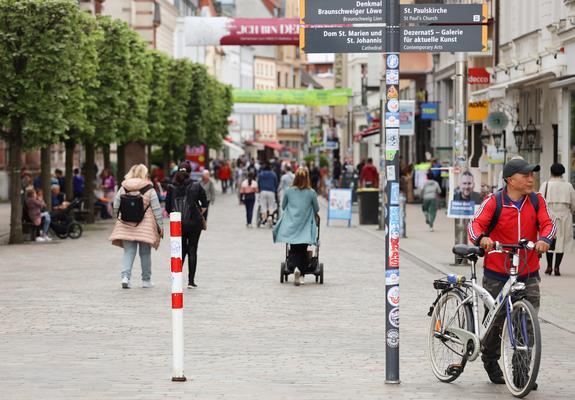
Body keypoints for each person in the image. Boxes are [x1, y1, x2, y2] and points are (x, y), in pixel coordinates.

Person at [468, 158, 556, 386]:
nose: (530, 179)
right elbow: (475, 224)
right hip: (497, 272)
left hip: (528, 272)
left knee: (527, 323)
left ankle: (521, 373)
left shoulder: (537, 201)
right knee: (495, 324)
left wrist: (544, 240)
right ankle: (489, 359)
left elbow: (548, 224)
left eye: (532, 175)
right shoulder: (494, 202)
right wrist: (482, 238)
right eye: (525, 175)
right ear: (510, 180)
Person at [109, 164, 163, 289]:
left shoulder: (123, 187)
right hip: (146, 226)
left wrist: (117, 216)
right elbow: (157, 210)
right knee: (145, 253)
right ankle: (146, 280)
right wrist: (160, 227)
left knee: (128, 251)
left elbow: (116, 205)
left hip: (126, 224)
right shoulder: (149, 188)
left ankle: (125, 277)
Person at [273, 167, 320, 286]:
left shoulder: (289, 191)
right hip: (304, 225)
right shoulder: (311, 192)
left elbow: (283, 206)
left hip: (291, 225)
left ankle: (295, 269)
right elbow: (316, 208)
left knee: (293, 248)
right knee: (303, 250)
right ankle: (302, 274)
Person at [165, 163, 208, 288]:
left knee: (180, 250)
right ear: (190, 172)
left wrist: (177, 215)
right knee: (193, 250)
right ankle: (191, 281)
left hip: (178, 223)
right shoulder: (196, 185)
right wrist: (197, 212)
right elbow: (205, 203)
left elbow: (168, 208)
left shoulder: (171, 186)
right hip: (194, 222)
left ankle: (176, 278)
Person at [539, 163, 575, 276]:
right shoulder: (568, 186)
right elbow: (573, 203)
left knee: (549, 239)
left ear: (551, 172)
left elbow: (540, 200)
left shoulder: (546, 184)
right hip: (565, 215)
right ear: (563, 173)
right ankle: (557, 267)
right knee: (562, 241)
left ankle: (549, 266)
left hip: (549, 215)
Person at [257, 161, 278, 226]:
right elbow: (276, 183)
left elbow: (258, 183)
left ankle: (264, 218)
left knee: (263, 206)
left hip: (263, 191)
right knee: (271, 205)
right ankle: (270, 217)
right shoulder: (273, 174)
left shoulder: (260, 174)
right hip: (271, 191)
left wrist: (260, 190)